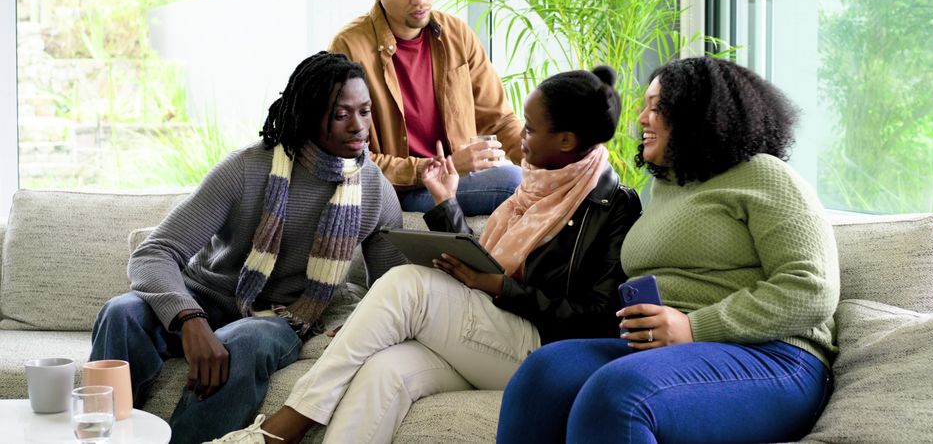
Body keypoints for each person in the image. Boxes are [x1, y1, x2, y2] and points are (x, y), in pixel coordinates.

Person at [211, 67, 642, 444]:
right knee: (384, 372)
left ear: (566, 139)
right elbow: (484, 264)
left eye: (530, 129)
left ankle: (284, 428)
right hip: (490, 338)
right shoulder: (536, 189)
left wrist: (503, 288)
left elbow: (599, 315)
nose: (520, 138)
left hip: (542, 354)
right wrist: (447, 204)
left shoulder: (613, 206)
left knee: (405, 284)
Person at [496, 57, 841, 444]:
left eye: (656, 106)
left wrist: (694, 327)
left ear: (697, 113)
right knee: (543, 373)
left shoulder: (764, 175)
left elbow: (812, 288)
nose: (641, 118)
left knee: (619, 395)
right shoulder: (664, 189)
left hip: (774, 355)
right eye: (644, 106)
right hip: (664, 352)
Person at [88, 52, 406, 444]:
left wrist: (355, 327)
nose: (359, 127)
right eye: (341, 115)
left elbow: (395, 287)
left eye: (365, 111)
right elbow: (154, 253)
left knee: (244, 340)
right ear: (307, 114)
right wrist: (190, 319)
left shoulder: (374, 191)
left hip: (280, 318)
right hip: (203, 297)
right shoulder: (245, 169)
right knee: (120, 312)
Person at [329, 0, 523, 216]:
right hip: (405, 190)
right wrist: (438, 167)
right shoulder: (350, 47)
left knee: (542, 179)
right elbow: (353, 160)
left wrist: (545, 161)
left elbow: (499, 121)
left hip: (461, 179)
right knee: (513, 182)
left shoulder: (456, 34)